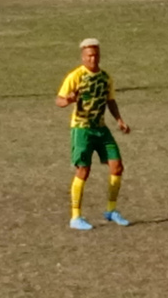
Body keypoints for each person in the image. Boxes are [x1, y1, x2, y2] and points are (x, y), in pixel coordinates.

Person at [55, 39, 131, 231]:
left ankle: (111, 211)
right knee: (83, 170)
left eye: (96, 54)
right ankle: (75, 216)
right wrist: (69, 100)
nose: (93, 58)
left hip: (101, 128)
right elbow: (59, 100)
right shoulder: (76, 76)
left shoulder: (105, 77)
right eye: (89, 55)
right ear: (83, 57)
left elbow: (110, 100)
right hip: (82, 129)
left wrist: (119, 120)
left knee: (117, 166)